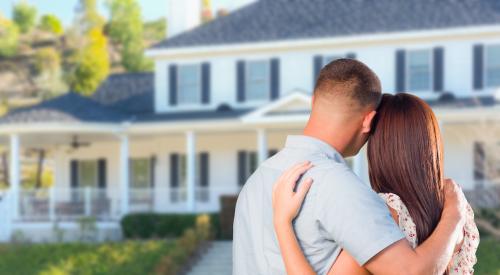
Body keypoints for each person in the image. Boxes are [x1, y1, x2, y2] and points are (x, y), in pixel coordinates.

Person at [233, 59, 468, 275]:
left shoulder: (255, 181)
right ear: (368, 121)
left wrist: (282, 224)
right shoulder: (340, 187)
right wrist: (454, 214)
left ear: (313, 101)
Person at [272, 93, 479, 275]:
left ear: (379, 150)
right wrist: (455, 212)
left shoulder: (385, 212)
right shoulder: (457, 207)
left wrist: (282, 222)